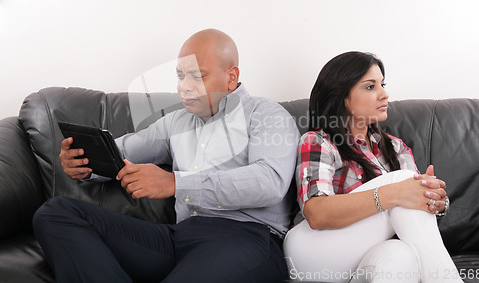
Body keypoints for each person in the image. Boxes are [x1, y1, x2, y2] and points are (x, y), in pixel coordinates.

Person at [33, 29, 300, 283]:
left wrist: (175, 183)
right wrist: (84, 160)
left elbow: (269, 182)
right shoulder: (176, 122)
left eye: (198, 76)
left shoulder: (265, 114)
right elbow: (122, 151)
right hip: (177, 237)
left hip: (246, 237)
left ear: (231, 77)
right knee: (56, 213)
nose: (185, 87)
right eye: (181, 76)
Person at [283, 52, 463, 283]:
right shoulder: (318, 141)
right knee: (405, 181)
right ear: (342, 97)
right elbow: (316, 214)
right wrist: (394, 193)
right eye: (370, 87)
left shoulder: (396, 148)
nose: (384, 94)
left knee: (401, 257)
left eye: (382, 84)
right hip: (310, 252)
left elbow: (415, 216)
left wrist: (435, 202)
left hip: (364, 257)